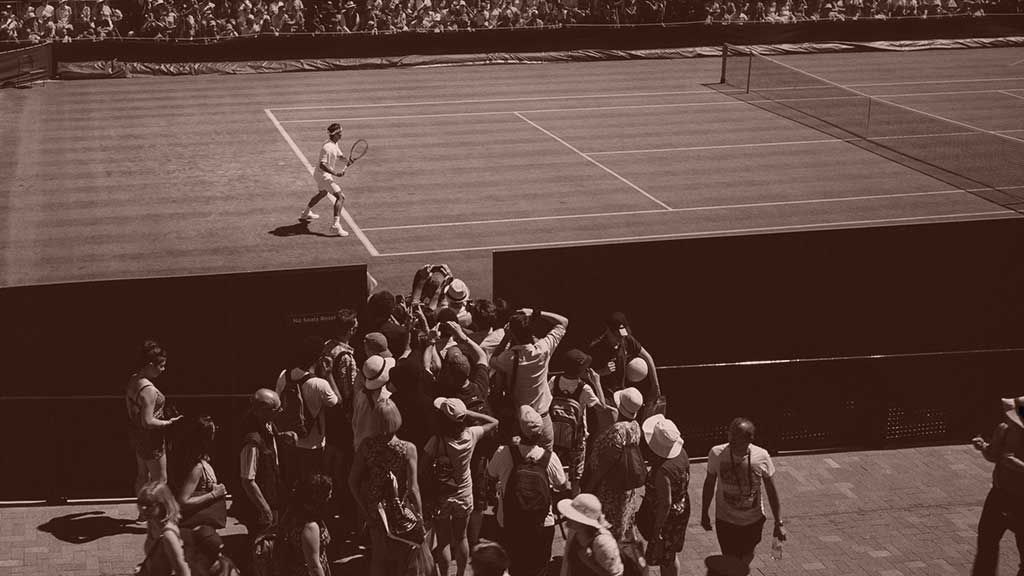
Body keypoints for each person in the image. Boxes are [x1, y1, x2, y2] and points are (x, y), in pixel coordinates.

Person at [487, 406, 568, 576]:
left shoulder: (504, 452)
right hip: (542, 524)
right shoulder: (549, 458)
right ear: (540, 434)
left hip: (510, 521)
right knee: (539, 567)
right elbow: (561, 484)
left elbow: (491, 473)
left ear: (518, 430)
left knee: (515, 567)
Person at [425, 397, 499, 576]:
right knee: (461, 537)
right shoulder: (471, 435)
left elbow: (423, 469)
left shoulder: (436, 441)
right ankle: (459, 573)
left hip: (442, 495)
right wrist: (467, 414)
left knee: (443, 542)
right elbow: (494, 422)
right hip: (464, 493)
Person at [349, 400, 423, 576]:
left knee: (379, 558)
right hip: (399, 508)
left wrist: (364, 507)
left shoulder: (366, 446)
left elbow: (352, 481)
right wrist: (419, 516)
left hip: (376, 508)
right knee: (403, 557)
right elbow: (413, 487)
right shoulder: (408, 449)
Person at [700, 417, 786, 567]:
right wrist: (704, 512)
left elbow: (771, 491)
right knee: (729, 557)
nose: (731, 440)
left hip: (753, 520)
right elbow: (709, 483)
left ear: (749, 439)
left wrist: (779, 522)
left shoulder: (762, 456)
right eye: (730, 435)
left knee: (747, 555)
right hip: (725, 519)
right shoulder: (716, 453)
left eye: (737, 438)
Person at [490, 307, 570, 450]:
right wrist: (535, 312)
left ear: (514, 334)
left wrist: (507, 336)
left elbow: (492, 360)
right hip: (543, 418)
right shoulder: (543, 349)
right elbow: (563, 322)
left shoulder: (509, 357)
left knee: (517, 463)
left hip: (520, 422)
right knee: (545, 461)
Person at [275, 336, 341, 496]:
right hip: (313, 446)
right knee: (313, 488)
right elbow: (338, 402)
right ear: (318, 359)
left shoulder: (284, 375)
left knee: (293, 486)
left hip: (289, 442)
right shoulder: (319, 384)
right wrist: (329, 374)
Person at [126, 340, 183, 519]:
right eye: (161, 366)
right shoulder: (149, 390)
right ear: (150, 364)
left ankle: (143, 512)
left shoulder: (134, 379)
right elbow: (148, 421)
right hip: (152, 439)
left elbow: (133, 412)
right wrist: (168, 423)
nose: (163, 369)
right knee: (160, 480)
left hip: (137, 435)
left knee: (142, 475)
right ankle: (158, 515)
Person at [970, 395, 1024, 576]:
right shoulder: (1004, 429)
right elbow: (993, 455)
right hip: (1003, 495)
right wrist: (984, 447)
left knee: (994, 545)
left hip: (1013, 497)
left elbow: (1000, 457)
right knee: (987, 544)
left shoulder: (1006, 428)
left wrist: (1013, 463)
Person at [583, 387, 645, 542]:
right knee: (620, 522)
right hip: (624, 487)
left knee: (607, 526)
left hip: (610, 487)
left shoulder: (617, 431)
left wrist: (590, 487)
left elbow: (605, 464)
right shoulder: (635, 426)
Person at [549, 349, 609, 495]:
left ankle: (549, 497)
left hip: (555, 434)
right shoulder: (584, 388)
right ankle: (574, 505)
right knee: (575, 478)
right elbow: (602, 408)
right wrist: (597, 382)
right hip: (576, 439)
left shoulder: (554, 381)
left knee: (550, 469)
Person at [637, 415, 689, 576]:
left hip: (667, 519)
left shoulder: (662, 471)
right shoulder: (682, 454)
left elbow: (665, 503)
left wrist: (657, 530)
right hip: (681, 508)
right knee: (670, 555)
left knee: (665, 557)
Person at [588, 312, 661, 419]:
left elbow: (648, 357)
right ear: (608, 330)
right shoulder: (596, 349)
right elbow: (583, 374)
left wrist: (655, 385)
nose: (621, 339)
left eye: (622, 335)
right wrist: (602, 371)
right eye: (617, 335)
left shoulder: (627, 340)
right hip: (605, 397)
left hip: (623, 394)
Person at [235, 389, 284, 536]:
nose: (280, 412)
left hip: (272, 495)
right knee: (261, 545)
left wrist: (281, 436)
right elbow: (248, 480)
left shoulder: (266, 423)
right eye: (277, 409)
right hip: (258, 508)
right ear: (264, 411)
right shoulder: (252, 442)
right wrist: (265, 509)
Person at [174, 415, 228, 529]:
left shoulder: (200, 461)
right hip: (198, 528)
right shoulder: (197, 468)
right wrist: (214, 495)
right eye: (213, 431)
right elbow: (183, 502)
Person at [278, 473, 334, 576]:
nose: (330, 497)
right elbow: (314, 567)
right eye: (327, 495)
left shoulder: (294, 513)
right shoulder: (310, 527)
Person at [300, 122, 349, 237]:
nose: (342, 134)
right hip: (323, 175)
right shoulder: (328, 147)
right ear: (336, 134)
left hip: (319, 174)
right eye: (340, 132)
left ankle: (305, 213)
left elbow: (339, 156)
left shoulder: (333, 143)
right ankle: (336, 225)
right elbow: (323, 164)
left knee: (322, 193)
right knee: (340, 197)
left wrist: (347, 161)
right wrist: (335, 173)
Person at [556, 493, 623, 576]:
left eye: (572, 516)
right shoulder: (576, 532)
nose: (567, 518)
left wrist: (590, 563)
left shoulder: (603, 543)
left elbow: (616, 574)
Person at [136, 481, 191, 576]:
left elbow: (183, 572)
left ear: (162, 505)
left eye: (149, 504)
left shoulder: (168, 536)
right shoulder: (152, 523)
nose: (143, 508)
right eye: (140, 502)